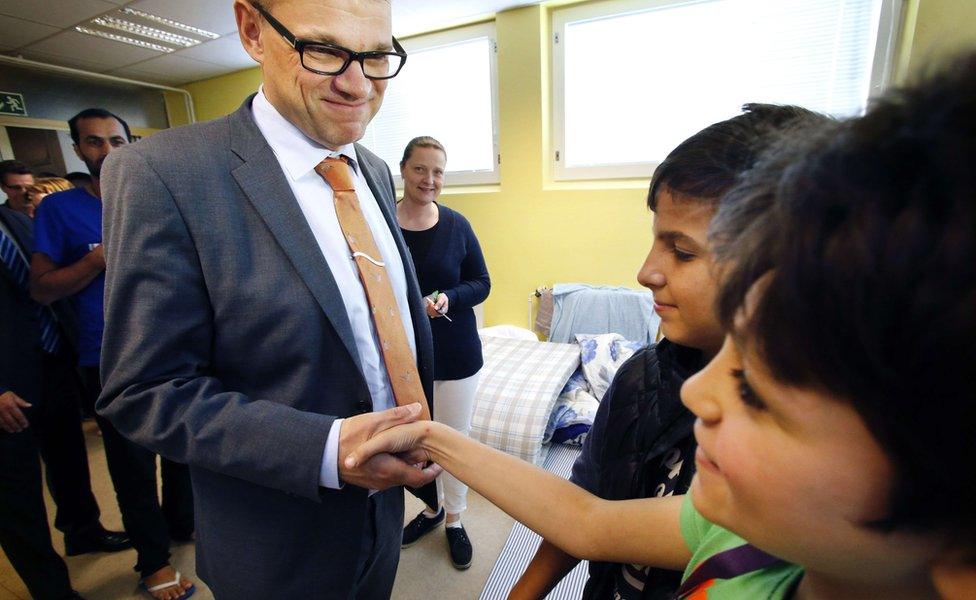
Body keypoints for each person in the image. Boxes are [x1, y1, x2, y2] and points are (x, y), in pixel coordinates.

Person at [347, 53, 976, 600]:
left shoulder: (766, 517)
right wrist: (430, 434)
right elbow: (587, 519)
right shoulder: (725, 500)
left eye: (760, 390)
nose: (703, 396)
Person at [96, 0, 439, 597]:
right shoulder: (161, 174)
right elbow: (144, 390)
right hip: (274, 544)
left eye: (378, 55)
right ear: (252, 31)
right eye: (326, 50)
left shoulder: (376, 171)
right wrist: (328, 450)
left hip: (380, 523)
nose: (358, 85)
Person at [511, 104, 827, 600]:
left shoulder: (806, 466)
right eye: (656, 241)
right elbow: (582, 510)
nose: (646, 272)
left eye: (682, 252)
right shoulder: (642, 375)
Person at [30, 108, 195, 600]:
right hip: (107, 356)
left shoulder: (157, 198)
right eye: (95, 143)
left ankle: (183, 524)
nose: (108, 152)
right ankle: (153, 563)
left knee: (185, 448)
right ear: (78, 149)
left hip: (172, 345)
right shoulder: (59, 211)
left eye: (118, 141)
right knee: (132, 464)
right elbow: (41, 289)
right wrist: (98, 257)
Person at [396, 136, 491, 570]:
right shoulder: (381, 223)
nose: (429, 180)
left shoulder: (457, 224)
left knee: (453, 442)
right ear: (403, 170)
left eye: (438, 172)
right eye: (420, 169)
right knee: (414, 442)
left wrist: (449, 299)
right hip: (403, 357)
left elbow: (482, 283)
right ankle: (430, 509)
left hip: (455, 355)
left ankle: (454, 519)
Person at [1, 200, 88, 600]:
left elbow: (42, 287)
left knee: (69, 459)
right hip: (6, 386)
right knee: (16, 494)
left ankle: (84, 531)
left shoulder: (14, 219)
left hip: (52, 359)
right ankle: (51, 590)